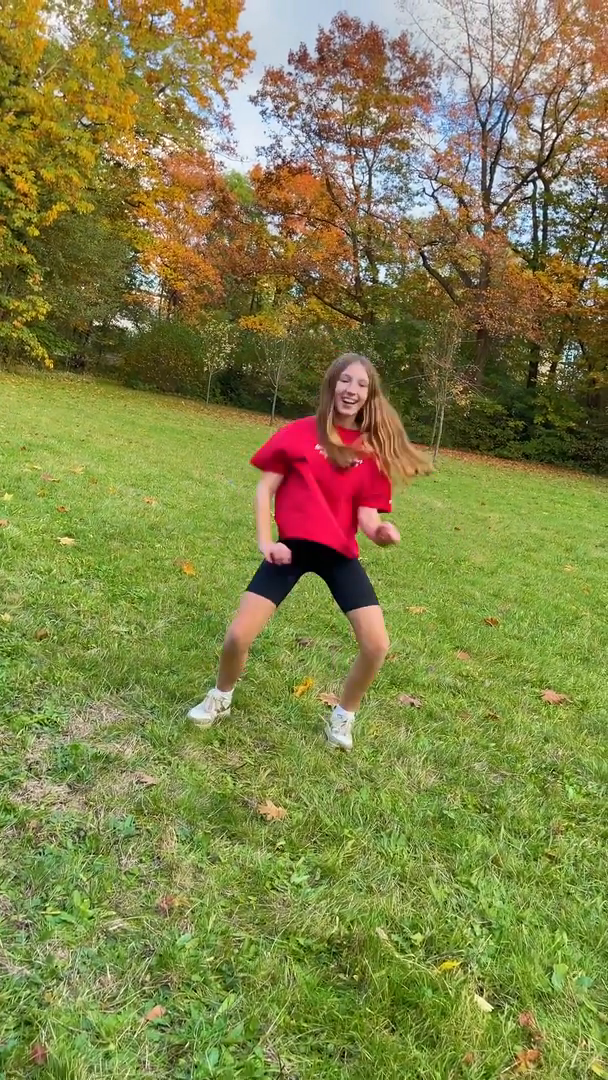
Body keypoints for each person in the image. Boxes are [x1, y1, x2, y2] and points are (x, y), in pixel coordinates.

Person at [188, 353, 431, 751]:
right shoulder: (300, 433)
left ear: (370, 395)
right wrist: (267, 542)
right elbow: (265, 488)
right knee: (237, 635)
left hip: (338, 555)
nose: (351, 390)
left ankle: (344, 715)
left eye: (362, 384)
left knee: (376, 645)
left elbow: (367, 517)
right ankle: (221, 697)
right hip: (291, 550)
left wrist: (380, 533)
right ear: (332, 384)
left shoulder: (371, 451)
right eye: (345, 380)